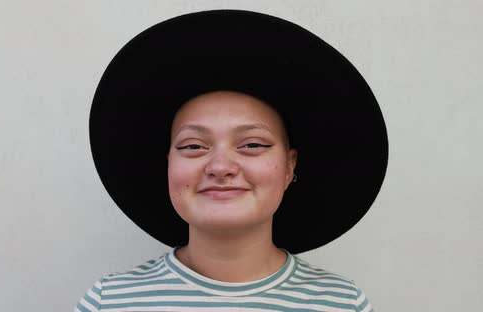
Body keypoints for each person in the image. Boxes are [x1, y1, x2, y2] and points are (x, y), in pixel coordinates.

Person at [76, 9, 387, 312]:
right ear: (168, 163)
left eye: (252, 144)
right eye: (194, 146)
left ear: (290, 166)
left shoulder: (342, 303)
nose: (221, 167)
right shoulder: (110, 301)